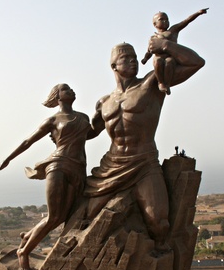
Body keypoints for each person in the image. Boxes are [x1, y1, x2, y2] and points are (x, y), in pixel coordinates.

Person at [85, 34, 205, 252]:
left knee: (159, 224)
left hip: (144, 163)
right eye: (127, 58)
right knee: (89, 216)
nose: (133, 60)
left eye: (134, 57)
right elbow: (88, 133)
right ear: (114, 65)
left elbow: (196, 63)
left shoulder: (151, 84)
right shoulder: (104, 102)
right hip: (111, 166)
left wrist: (166, 45)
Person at [0, 84, 93, 270]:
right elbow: (28, 141)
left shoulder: (83, 117)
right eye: (66, 89)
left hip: (79, 169)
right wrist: (8, 159)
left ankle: (28, 236)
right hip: (58, 165)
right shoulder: (53, 120)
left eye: (71, 88)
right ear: (57, 97)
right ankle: (23, 252)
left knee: (64, 216)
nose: (71, 91)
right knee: (54, 216)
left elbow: (92, 133)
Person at [140, 9, 208, 94]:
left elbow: (186, 21)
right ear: (155, 24)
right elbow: (149, 51)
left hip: (170, 57)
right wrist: (145, 59)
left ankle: (167, 84)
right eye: (161, 19)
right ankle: (161, 82)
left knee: (170, 62)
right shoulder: (153, 37)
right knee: (158, 61)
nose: (165, 21)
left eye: (167, 19)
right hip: (158, 57)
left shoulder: (173, 30)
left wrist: (198, 13)